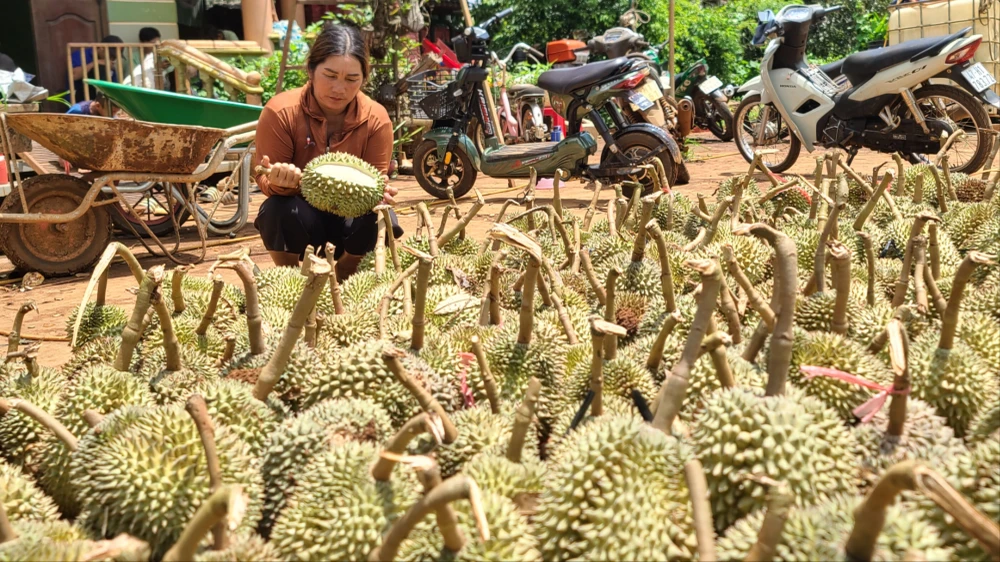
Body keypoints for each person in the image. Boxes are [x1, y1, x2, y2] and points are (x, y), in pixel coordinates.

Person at [253, 23, 401, 281]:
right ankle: (289, 277)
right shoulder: (281, 112)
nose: (339, 88)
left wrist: (381, 192)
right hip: (303, 222)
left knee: (381, 214)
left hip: (349, 227)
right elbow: (264, 179)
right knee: (276, 209)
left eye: (352, 79)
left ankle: (347, 269)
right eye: (330, 76)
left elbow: (375, 183)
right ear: (311, 69)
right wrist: (280, 182)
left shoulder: (376, 118)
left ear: (364, 79)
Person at [70, 35, 123, 99]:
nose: (112, 59)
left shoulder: (109, 64)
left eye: (115, 57)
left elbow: (115, 87)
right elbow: (73, 75)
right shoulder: (82, 54)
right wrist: (95, 63)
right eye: (111, 55)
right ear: (101, 47)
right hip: (79, 97)